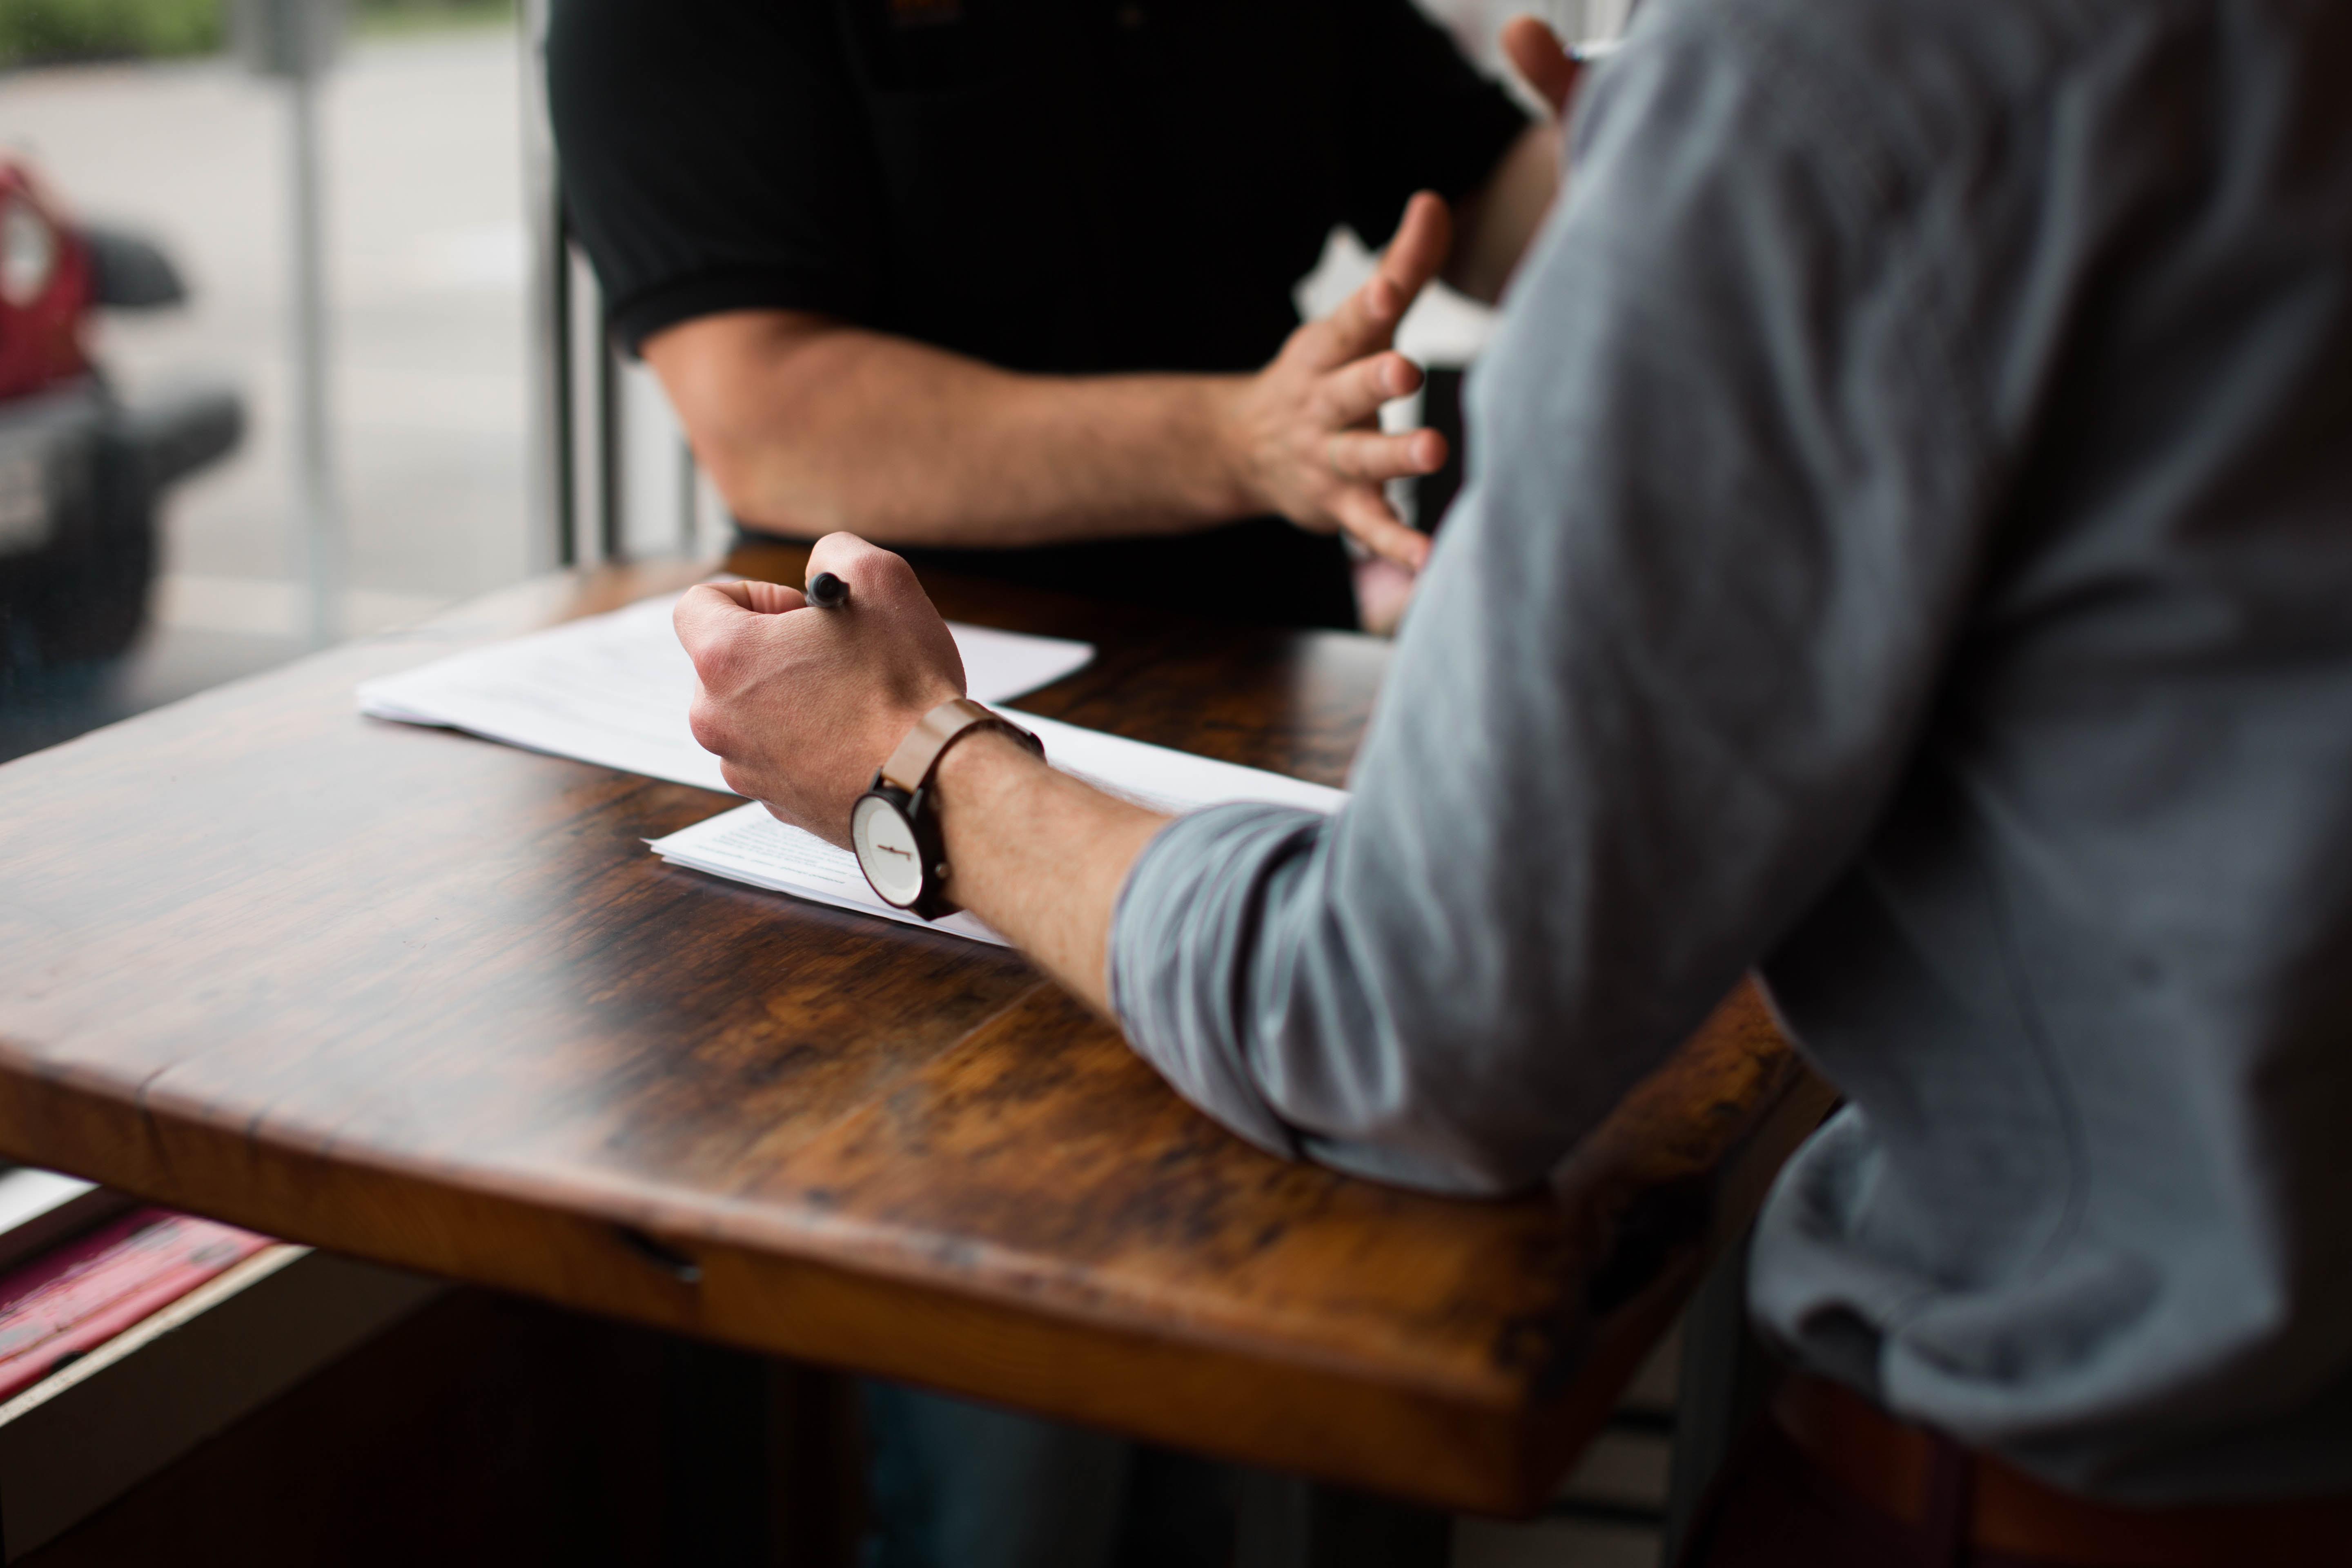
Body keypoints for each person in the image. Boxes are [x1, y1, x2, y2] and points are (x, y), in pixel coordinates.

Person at [673, 0, 2352, 1559]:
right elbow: (760, 407)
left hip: (2102, 1476)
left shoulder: (1832, 67)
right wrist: (1696, 191)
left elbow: (1414, 1024)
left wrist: (916, 765)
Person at [547, 0, 1576, 630]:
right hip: (908, 694)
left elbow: (1479, 194)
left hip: (1273, 658)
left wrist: (1660, 181)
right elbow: (770, 419)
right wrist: (1243, 441)